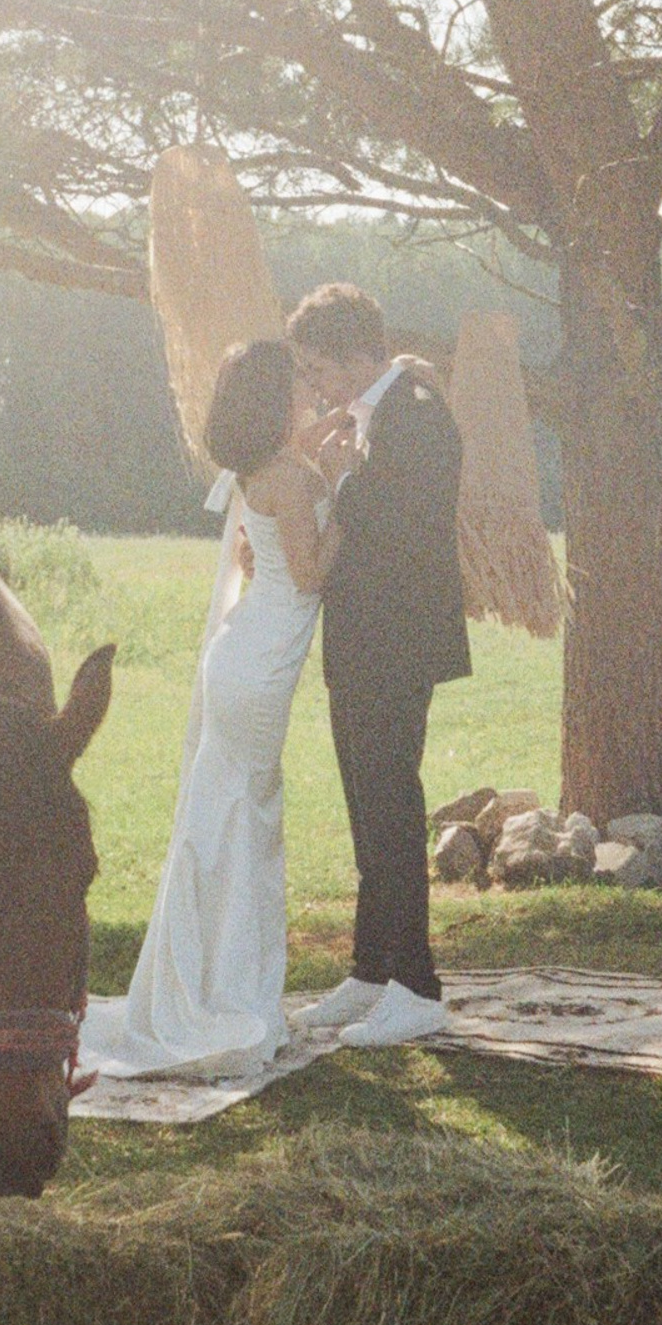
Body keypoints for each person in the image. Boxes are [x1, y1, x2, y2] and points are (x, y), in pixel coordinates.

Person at [79, 338, 334, 1077]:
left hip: (247, 657)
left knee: (227, 824)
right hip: (255, 669)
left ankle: (216, 984)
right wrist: (344, 495)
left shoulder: (269, 469)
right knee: (238, 828)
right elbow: (312, 573)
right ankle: (218, 995)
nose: (307, 396)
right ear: (275, 399)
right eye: (298, 387)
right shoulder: (287, 476)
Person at [283, 283, 471, 1049]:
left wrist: (333, 484)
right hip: (360, 642)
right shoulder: (377, 414)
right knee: (366, 806)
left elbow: (399, 526)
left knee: (392, 806)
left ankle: (417, 985)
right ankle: (370, 969)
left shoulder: (415, 415)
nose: (316, 387)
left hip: (396, 643)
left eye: (320, 369)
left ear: (359, 354)